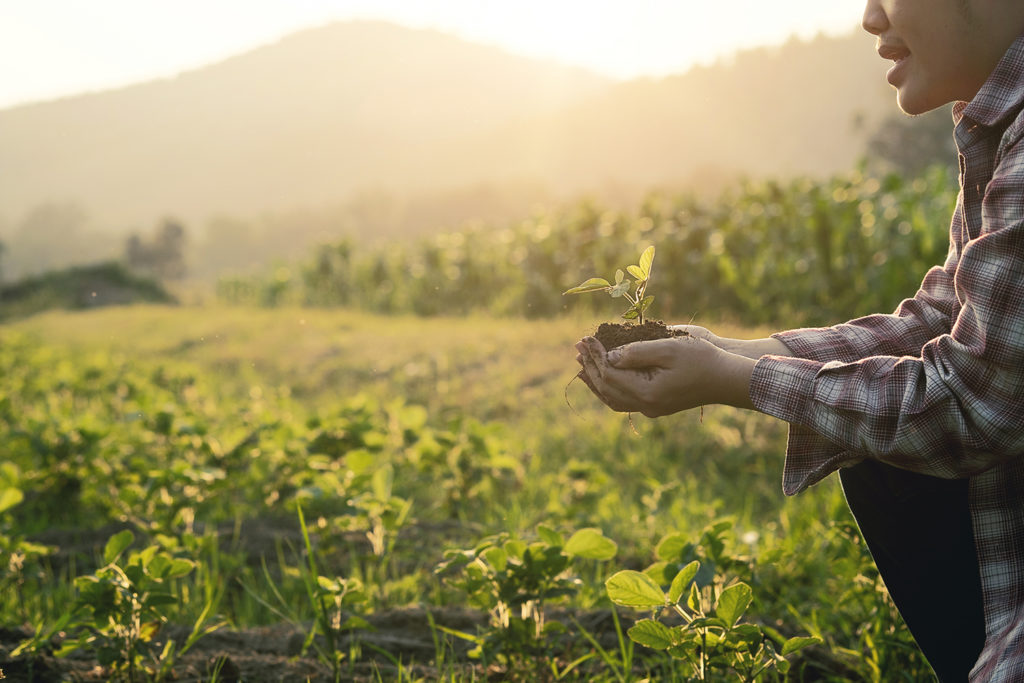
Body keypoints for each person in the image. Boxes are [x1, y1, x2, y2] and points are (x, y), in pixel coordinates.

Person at [574, 1, 1024, 681]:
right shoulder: (998, 120)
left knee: (888, 428)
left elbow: (970, 405)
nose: (871, 18)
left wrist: (733, 379)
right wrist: (734, 351)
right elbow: (946, 314)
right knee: (876, 438)